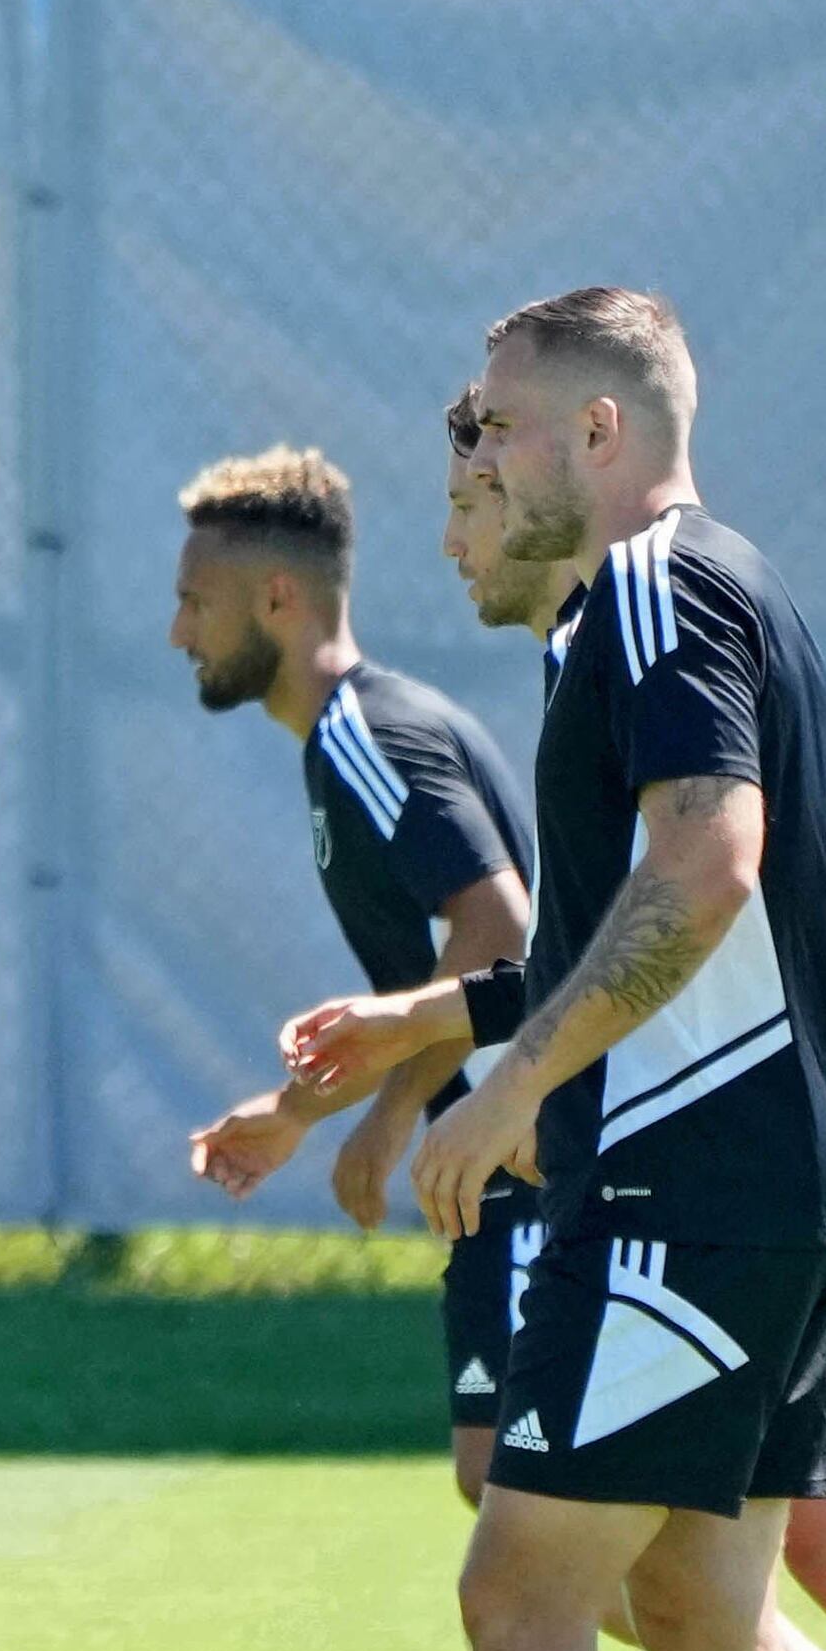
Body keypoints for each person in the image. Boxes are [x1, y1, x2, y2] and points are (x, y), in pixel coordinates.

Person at [242, 287, 826, 1651]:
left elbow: (706, 865)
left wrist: (512, 1089)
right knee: (702, 1609)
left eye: (500, 426)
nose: (474, 456)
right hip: (789, 1186)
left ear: (602, 431)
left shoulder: (653, 591)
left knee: (520, 1588)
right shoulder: (702, 587)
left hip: (696, 1189)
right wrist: (433, 1024)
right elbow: (648, 916)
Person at [164, 447, 539, 1502]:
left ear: (276, 599)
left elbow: (501, 929)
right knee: (524, 1513)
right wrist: (294, 1114)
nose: (176, 633)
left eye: (195, 602)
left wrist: (384, 1119)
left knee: (528, 1525)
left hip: (529, 1154)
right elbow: (441, 975)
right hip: (502, 1155)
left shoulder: (364, 736)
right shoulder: (349, 738)